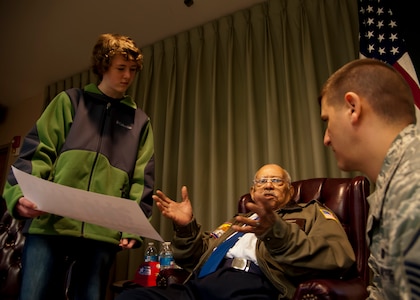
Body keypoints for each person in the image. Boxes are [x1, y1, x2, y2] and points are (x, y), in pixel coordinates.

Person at [2, 33, 155, 300]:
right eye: (121, 68)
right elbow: (35, 153)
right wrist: (19, 197)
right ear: (103, 66)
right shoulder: (70, 101)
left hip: (101, 234)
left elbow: (142, 180)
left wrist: (132, 225)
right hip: (50, 224)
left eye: (132, 70)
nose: (127, 76)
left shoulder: (139, 122)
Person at [117, 164, 355, 300]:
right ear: (252, 192)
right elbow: (193, 258)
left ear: (291, 191)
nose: (269, 185)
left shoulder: (312, 213)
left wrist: (276, 233)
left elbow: (338, 256)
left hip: (254, 287)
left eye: (276, 181)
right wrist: (186, 225)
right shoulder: (236, 222)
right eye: (262, 182)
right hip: (200, 286)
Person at [319, 58, 420, 299]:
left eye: (327, 121)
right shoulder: (392, 186)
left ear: (352, 107)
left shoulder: (411, 188)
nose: (326, 139)